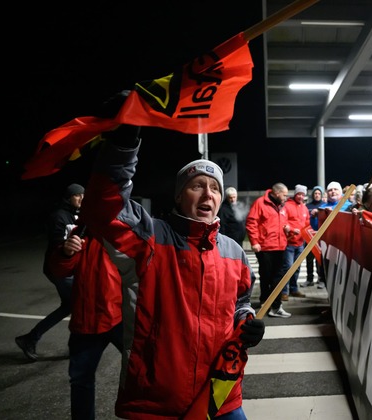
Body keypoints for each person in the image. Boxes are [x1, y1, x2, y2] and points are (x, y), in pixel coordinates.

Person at [80, 123, 264, 419]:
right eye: (197, 186)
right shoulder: (149, 237)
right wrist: (123, 146)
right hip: (157, 403)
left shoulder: (234, 251)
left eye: (215, 187)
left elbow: (240, 303)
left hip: (220, 394)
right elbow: (103, 207)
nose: (208, 193)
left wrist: (248, 321)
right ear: (179, 196)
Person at [47, 225, 123, 420]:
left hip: (122, 318)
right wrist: (66, 252)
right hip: (86, 321)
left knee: (145, 373)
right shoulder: (82, 231)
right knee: (81, 381)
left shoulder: (128, 230)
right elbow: (59, 270)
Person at [15, 183, 85, 361]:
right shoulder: (59, 216)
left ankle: (30, 338)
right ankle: (75, 347)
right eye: (77, 195)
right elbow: (57, 246)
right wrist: (68, 250)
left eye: (83, 195)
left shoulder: (77, 215)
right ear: (69, 197)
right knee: (78, 304)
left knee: (69, 305)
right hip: (58, 268)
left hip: (70, 267)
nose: (81, 198)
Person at [246, 182, 293, 317]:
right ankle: (267, 303)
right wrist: (254, 242)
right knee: (266, 277)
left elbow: (284, 221)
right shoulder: (260, 203)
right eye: (284, 195)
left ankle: (274, 305)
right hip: (265, 247)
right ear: (277, 193)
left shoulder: (282, 206)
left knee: (277, 278)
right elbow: (251, 222)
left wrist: (287, 227)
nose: (286, 197)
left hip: (280, 246)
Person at [281, 184, 310, 300]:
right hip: (289, 243)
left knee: (297, 268)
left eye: (303, 195)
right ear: (295, 194)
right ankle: (284, 291)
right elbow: (283, 221)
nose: (301, 197)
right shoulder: (287, 206)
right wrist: (291, 229)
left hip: (300, 243)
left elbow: (307, 223)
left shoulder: (304, 208)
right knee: (287, 267)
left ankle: (294, 289)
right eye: (299, 194)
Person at [302, 185, 325, 288]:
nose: (317, 195)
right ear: (313, 195)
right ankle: (309, 279)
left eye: (319, 193)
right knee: (309, 259)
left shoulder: (324, 206)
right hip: (309, 236)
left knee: (319, 259)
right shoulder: (307, 206)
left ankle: (321, 279)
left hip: (320, 237)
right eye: (315, 193)